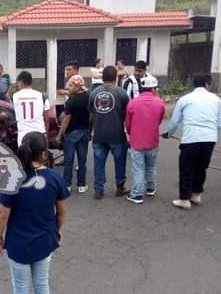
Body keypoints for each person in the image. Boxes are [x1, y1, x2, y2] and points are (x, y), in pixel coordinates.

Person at [0, 131, 69, 294]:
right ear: (44, 151)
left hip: (19, 243)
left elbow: (2, 214)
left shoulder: (13, 178)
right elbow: (62, 211)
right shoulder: (55, 178)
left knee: (21, 288)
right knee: (42, 283)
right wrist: (58, 231)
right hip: (45, 239)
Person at [163, 74, 221, 210]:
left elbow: (175, 121)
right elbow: (220, 121)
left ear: (193, 85)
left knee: (186, 168)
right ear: (207, 84)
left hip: (191, 139)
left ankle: (184, 199)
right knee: (201, 167)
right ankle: (196, 194)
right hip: (210, 138)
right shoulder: (216, 99)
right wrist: (210, 131)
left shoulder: (185, 99)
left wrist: (169, 134)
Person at [88, 66, 130, 200]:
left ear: (103, 77)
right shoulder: (122, 93)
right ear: (116, 77)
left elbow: (90, 113)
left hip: (99, 134)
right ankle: (120, 186)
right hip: (117, 134)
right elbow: (126, 114)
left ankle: (98, 190)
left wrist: (91, 130)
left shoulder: (93, 93)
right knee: (120, 161)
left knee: (99, 163)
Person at [124, 75, 166, 204]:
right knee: (151, 166)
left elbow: (128, 123)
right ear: (153, 89)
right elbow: (159, 121)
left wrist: (131, 133)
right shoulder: (160, 102)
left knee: (138, 168)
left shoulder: (133, 103)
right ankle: (150, 188)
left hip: (136, 141)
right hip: (153, 140)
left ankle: (136, 194)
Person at [56, 75, 91, 194]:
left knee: (69, 160)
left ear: (77, 86)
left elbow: (66, 120)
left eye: (70, 85)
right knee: (82, 160)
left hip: (71, 134)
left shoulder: (71, 101)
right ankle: (81, 185)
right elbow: (91, 116)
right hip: (85, 132)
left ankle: (67, 185)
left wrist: (60, 134)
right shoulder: (88, 97)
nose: (68, 88)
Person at [12, 71, 50, 146]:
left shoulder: (15, 96)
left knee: (25, 157)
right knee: (40, 157)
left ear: (21, 82)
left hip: (23, 135)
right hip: (39, 133)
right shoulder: (42, 96)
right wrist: (46, 133)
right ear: (31, 82)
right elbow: (47, 119)